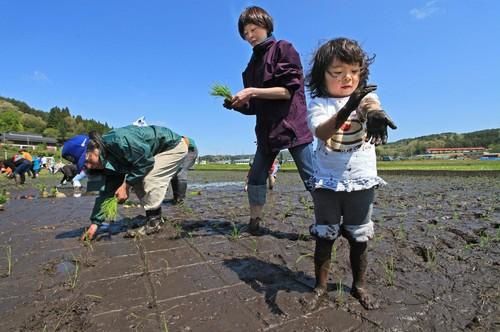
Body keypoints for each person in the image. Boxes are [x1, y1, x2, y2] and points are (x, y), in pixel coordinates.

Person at [306, 38, 397, 310]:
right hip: (327, 181)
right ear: (322, 76)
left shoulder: (365, 97)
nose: (348, 78)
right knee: (325, 236)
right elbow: (322, 132)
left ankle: (359, 285)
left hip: (361, 180)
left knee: (359, 238)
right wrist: (347, 107)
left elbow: (371, 106)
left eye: (355, 72)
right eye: (337, 73)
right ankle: (320, 286)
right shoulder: (319, 103)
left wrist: (376, 113)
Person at [224, 6, 314, 234]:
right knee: (256, 176)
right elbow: (254, 106)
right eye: (245, 34)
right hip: (266, 130)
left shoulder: (284, 49)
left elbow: (287, 92)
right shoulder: (250, 67)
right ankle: (254, 223)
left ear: (265, 25)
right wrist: (238, 104)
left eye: (253, 29)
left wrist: (251, 92)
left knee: (310, 176)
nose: (250, 36)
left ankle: (328, 220)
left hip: (292, 124)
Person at [80, 125, 188, 240]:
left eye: (88, 159)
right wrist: (95, 224)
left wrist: (125, 186)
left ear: (95, 146)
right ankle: (152, 217)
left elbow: (145, 163)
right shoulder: (105, 162)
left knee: (150, 178)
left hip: (173, 146)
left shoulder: (119, 141)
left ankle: (154, 222)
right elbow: (106, 192)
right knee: (136, 180)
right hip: (152, 155)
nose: (89, 166)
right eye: (84, 165)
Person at [169, 136, 198, 205]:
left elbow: (185, 139)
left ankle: (180, 200)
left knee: (181, 172)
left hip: (189, 149)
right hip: (176, 150)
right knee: (173, 173)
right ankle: (175, 198)